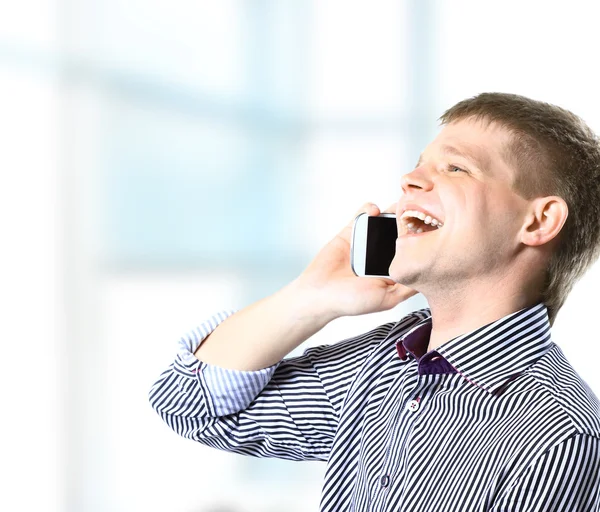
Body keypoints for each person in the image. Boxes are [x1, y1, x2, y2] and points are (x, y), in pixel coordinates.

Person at [149, 92, 600, 511]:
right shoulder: (384, 362)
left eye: (455, 168)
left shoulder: (557, 438)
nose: (409, 180)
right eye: (419, 165)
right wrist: (310, 298)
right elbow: (189, 404)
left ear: (539, 221)